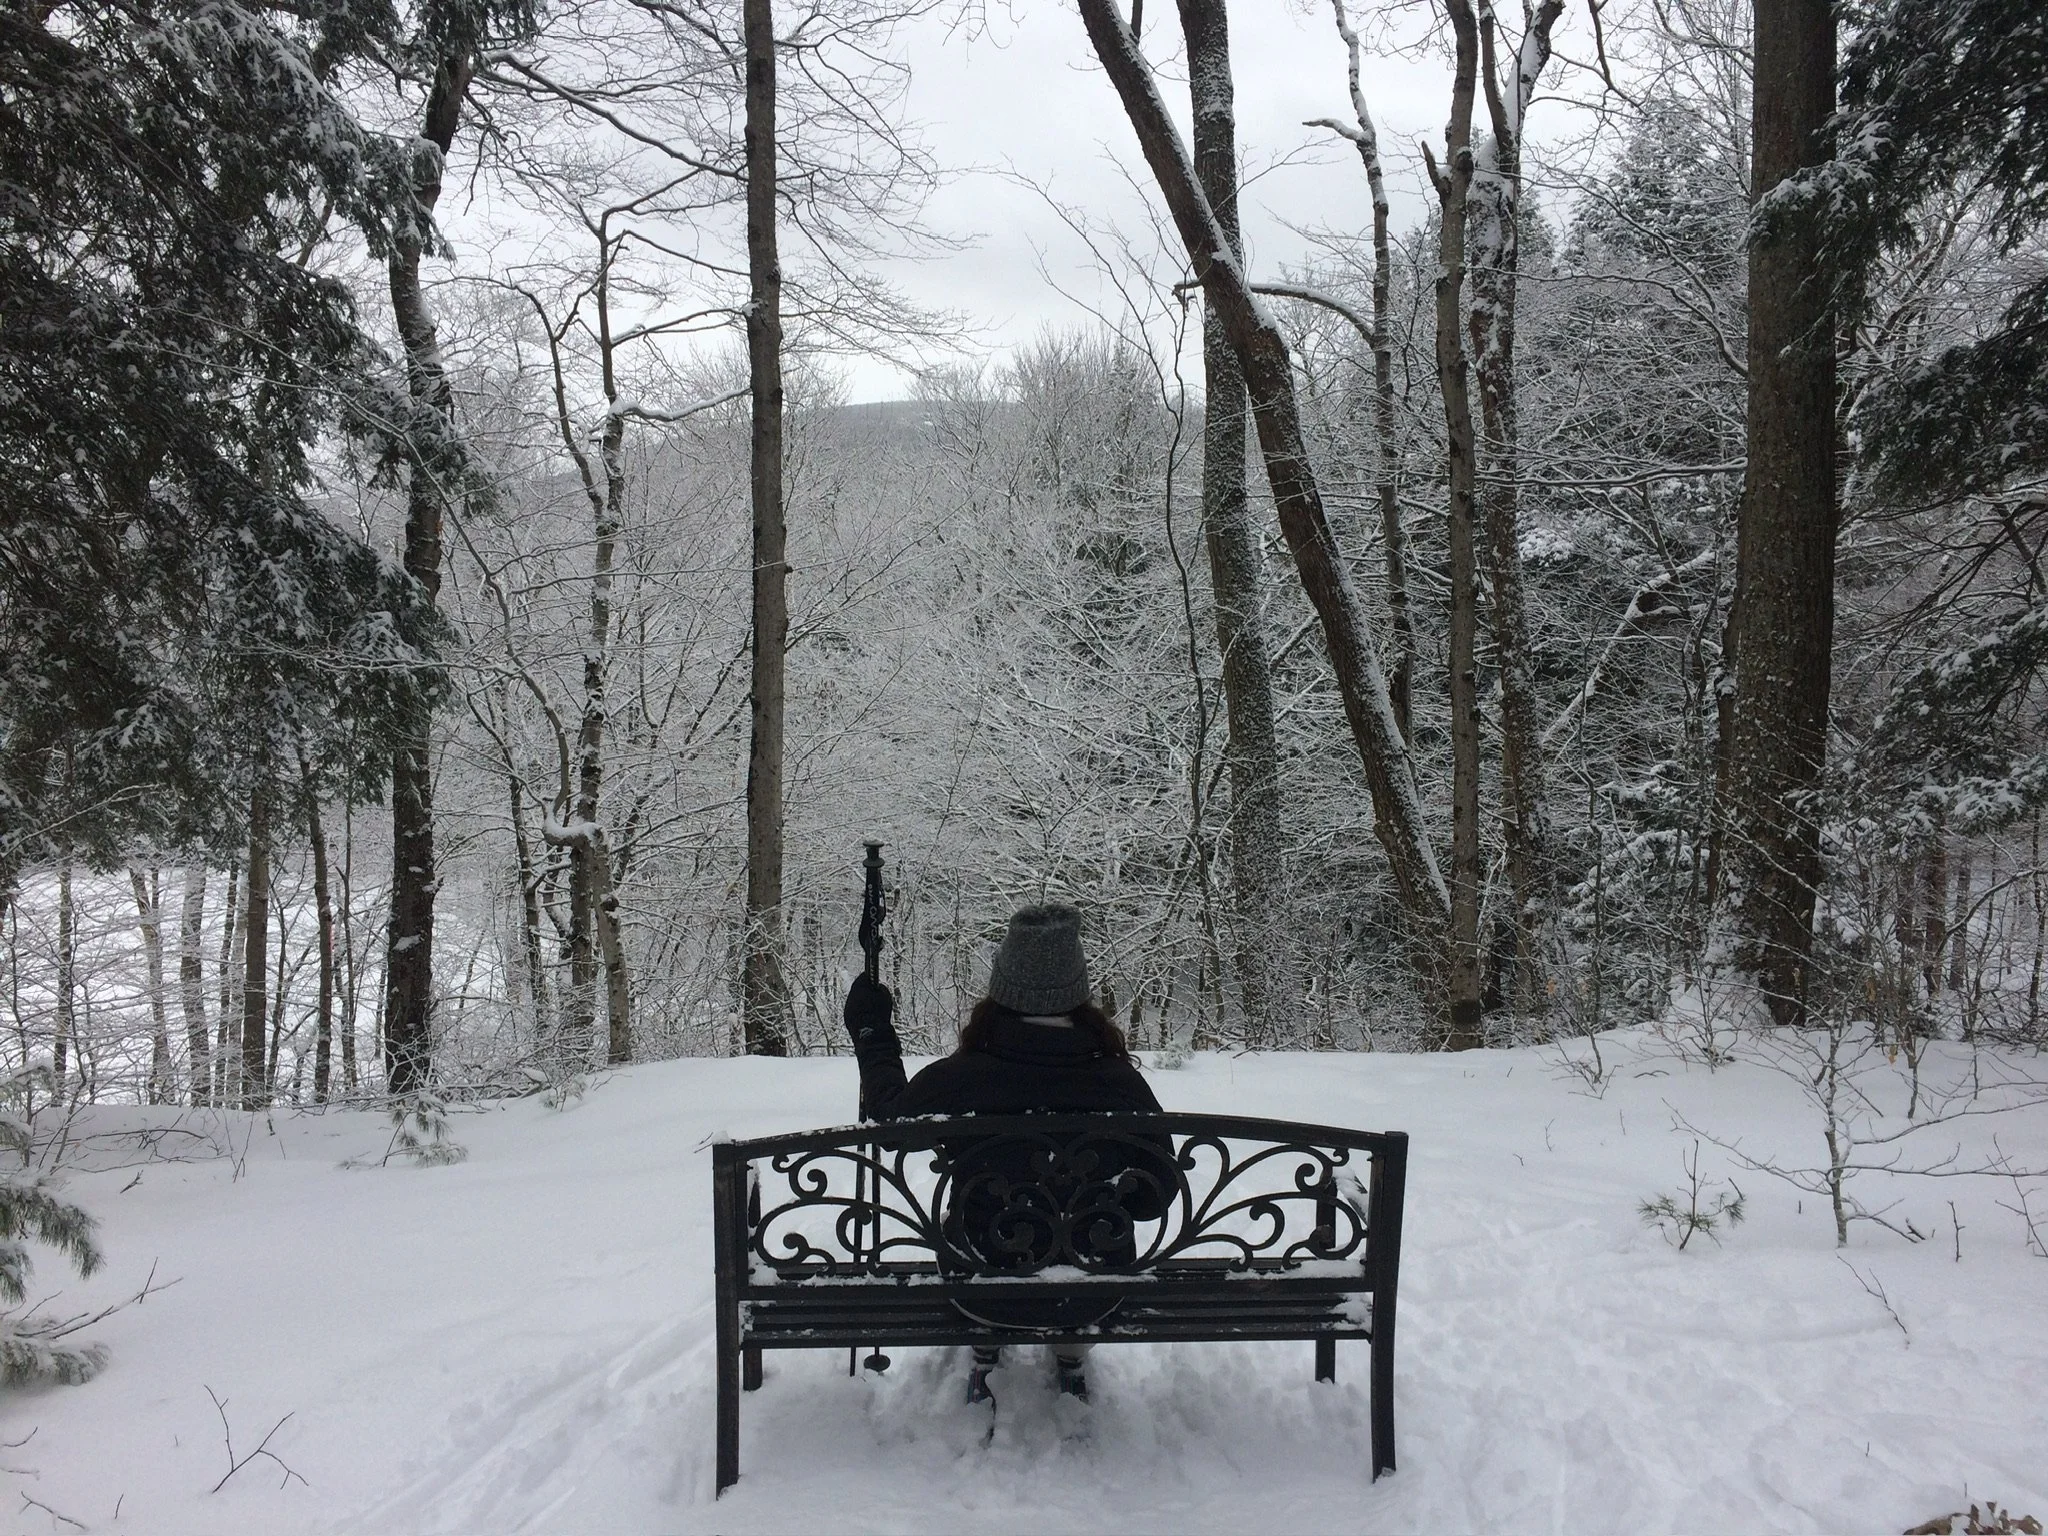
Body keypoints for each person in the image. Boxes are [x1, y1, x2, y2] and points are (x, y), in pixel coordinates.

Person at [841, 902, 1170, 1408]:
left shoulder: (966, 1075)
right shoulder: (1118, 1081)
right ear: (1078, 993)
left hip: (982, 1285)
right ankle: (1071, 1347)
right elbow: (1154, 1196)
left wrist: (872, 1032)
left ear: (1002, 988)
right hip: (1096, 1289)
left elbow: (890, 1128)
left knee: (968, 1223)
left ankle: (987, 1338)